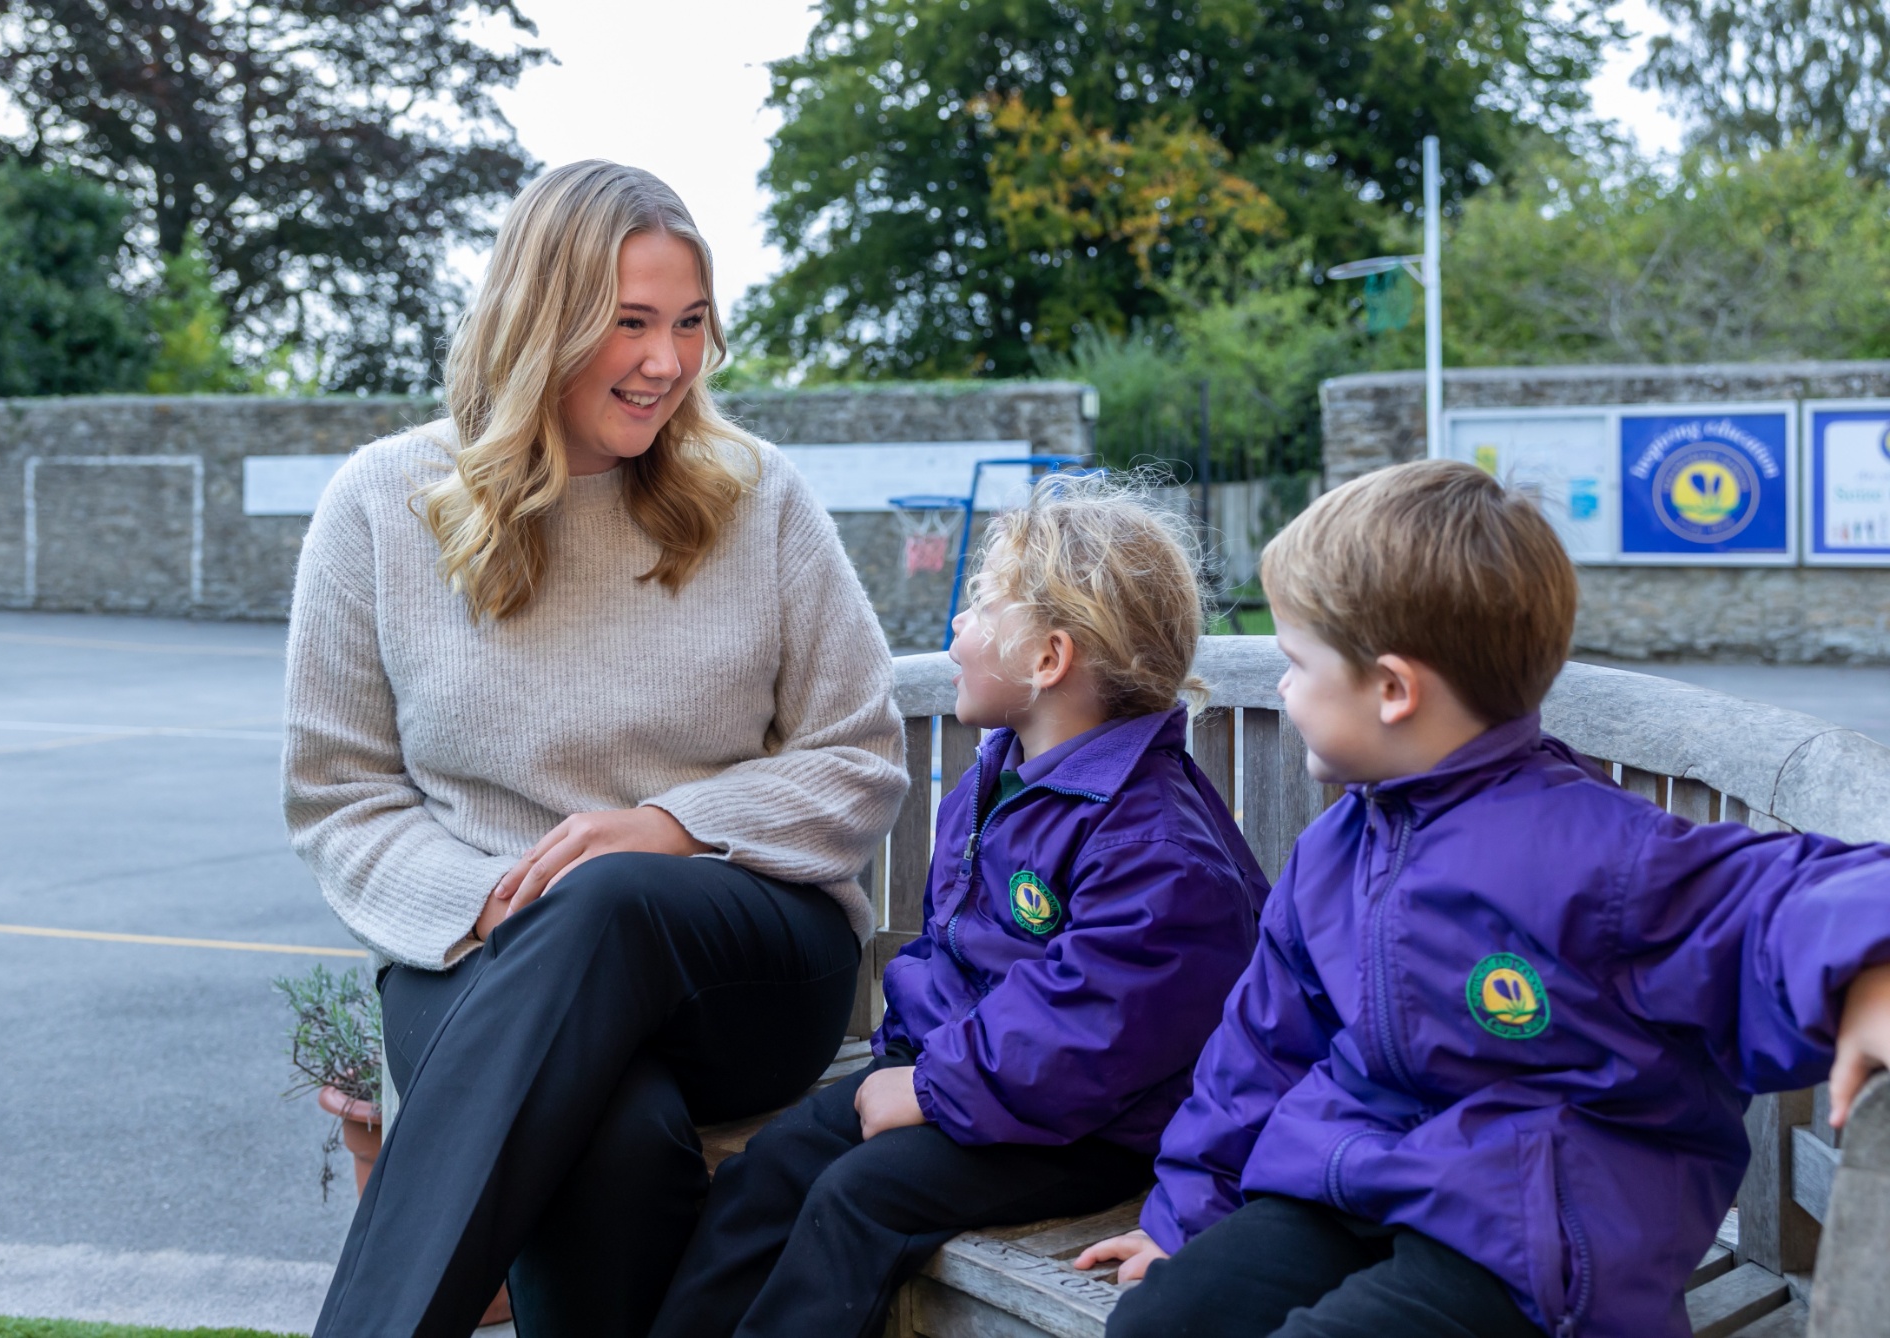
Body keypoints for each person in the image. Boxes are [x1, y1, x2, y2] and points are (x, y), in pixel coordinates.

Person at [284, 160, 908, 1338]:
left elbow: (860, 755)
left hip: (745, 952)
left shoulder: (756, 496)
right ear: (540, 320)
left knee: (614, 893)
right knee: (612, 1130)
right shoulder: (380, 503)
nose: (666, 362)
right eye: (628, 324)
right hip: (479, 953)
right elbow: (340, 798)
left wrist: (673, 829)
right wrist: (504, 904)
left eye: (687, 324)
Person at [1082, 459, 1890, 1338]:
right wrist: (1181, 1223)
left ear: (1393, 689)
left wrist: (1871, 971)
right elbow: (1261, 1053)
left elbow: (1788, 899)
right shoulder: (1335, 852)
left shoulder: (1598, 856)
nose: (1282, 687)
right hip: (1355, 1179)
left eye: (1296, 662)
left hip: (1521, 1240)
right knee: (1158, 1322)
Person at [647, 479, 1270, 1338]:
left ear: (1049, 660)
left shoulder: (1154, 846)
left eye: (981, 610)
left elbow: (1088, 1033)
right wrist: (909, 1069)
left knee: (859, 1199)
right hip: (977, 1083)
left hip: (1090, 1127)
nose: (956, 630)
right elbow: (954, 953)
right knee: (777, 1164)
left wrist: (933, 1090)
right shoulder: (1001, 777)